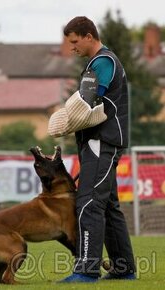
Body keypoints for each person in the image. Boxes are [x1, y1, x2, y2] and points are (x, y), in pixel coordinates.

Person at [48, 16, 136, 283]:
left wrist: (62, 120)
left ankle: (87, 270)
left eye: (74, 41)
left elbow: (87, 103)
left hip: (102, 141)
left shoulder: (103, 62)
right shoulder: (99, 62)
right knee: (108, 206)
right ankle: (123, 269)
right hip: (99, 142)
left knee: (88, 202)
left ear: (88, 36)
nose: (71, 47)